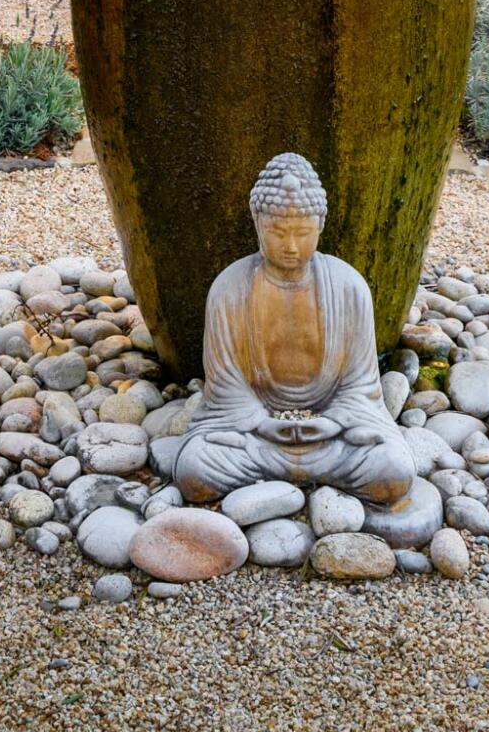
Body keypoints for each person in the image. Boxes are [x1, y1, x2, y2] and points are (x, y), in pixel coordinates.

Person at [173, 152, 415, 507]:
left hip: (332, 432)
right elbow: (225, 387)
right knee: (195, 472)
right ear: (257, 223)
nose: (290, 246)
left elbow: (361, 385)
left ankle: (282, 477)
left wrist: (332, 422)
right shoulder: (230, 288)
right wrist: (262, 422)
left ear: (320, 225)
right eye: (277, 232)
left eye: (302, 233)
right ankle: (298, 475)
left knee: (393, 470)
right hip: (256, 431)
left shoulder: (349, 287)